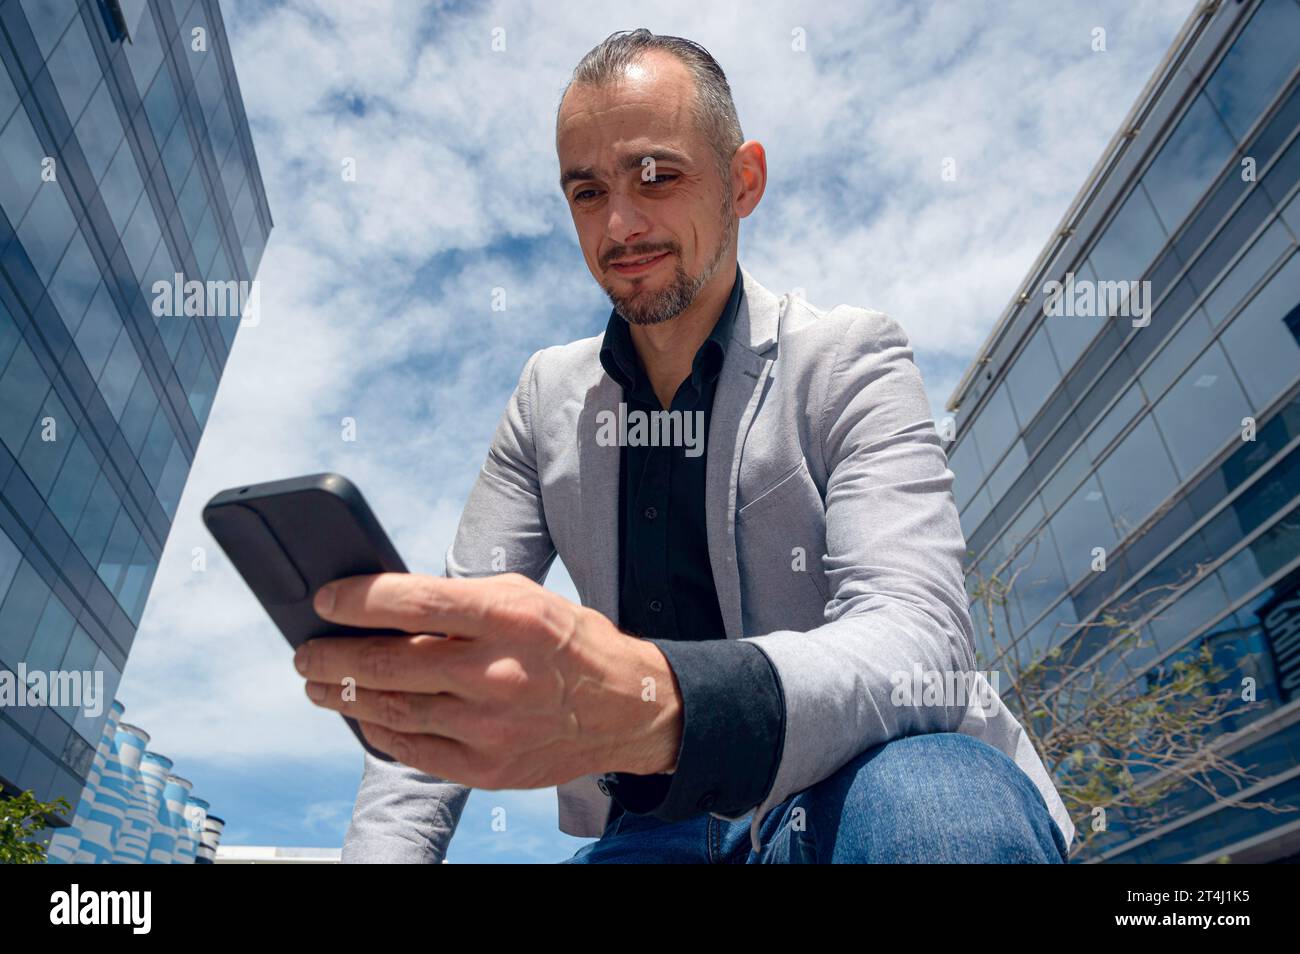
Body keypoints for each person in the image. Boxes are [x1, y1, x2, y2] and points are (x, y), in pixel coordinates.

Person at [294, 28, 1075, 863]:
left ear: (743, 182)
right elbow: (449, 656)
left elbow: (917, 636)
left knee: (938, 810)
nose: (621, 224)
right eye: (587, 192)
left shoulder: (851, 358)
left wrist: (656, 703)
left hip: (853, 791)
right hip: (647, 835)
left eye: (657, 176)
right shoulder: (542, 401)